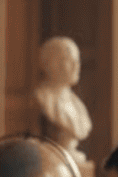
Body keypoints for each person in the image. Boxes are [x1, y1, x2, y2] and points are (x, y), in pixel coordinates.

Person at [34, 36, 92, 165]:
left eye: (77, 60)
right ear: (50, 64)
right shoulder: (41, 98)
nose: (76, 66)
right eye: (68, 60)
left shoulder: (77, 104)